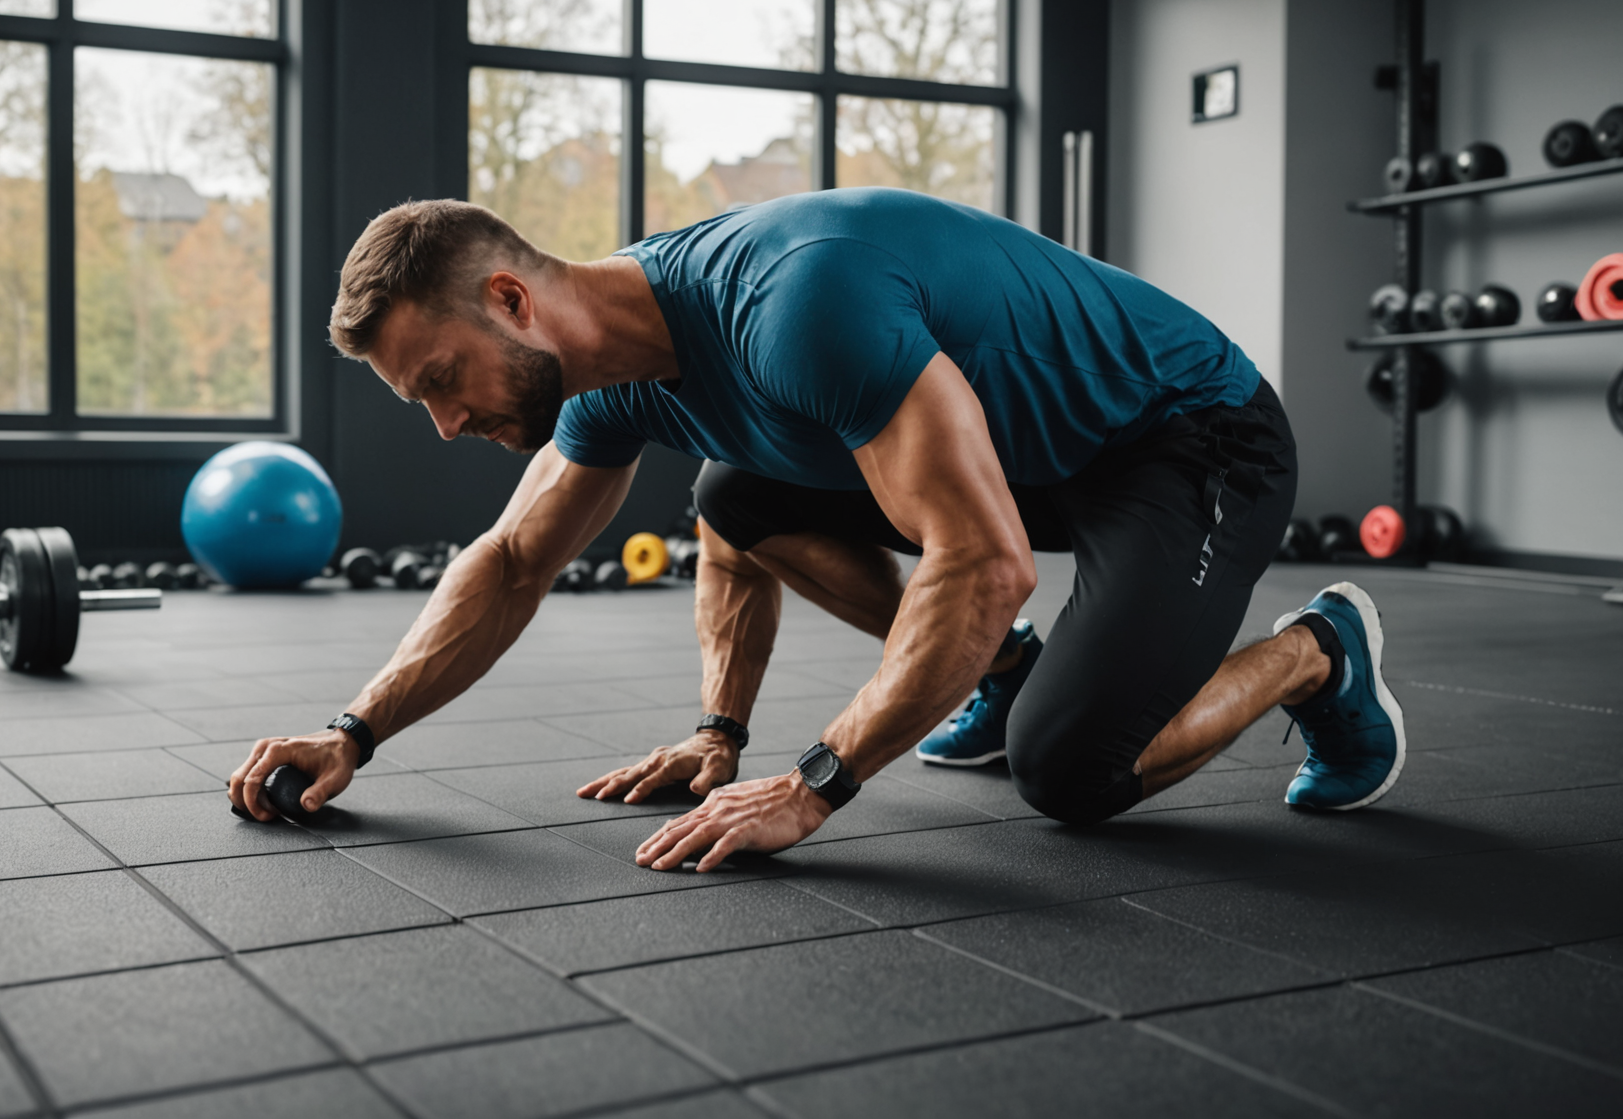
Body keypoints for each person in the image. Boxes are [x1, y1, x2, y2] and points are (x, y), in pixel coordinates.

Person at [227, 188, 1405, 871]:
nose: (443, 423)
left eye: (442, 379)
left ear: (511, 302)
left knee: (1071, 773)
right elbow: (517, 557)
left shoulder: (796, 308)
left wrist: (816, 782)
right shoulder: (615, 369)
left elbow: (985, 561)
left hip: (1186, 437)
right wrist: (354, 733)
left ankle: (1319, 653)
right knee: (735, 495)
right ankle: (998, 677)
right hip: (1035, 453)